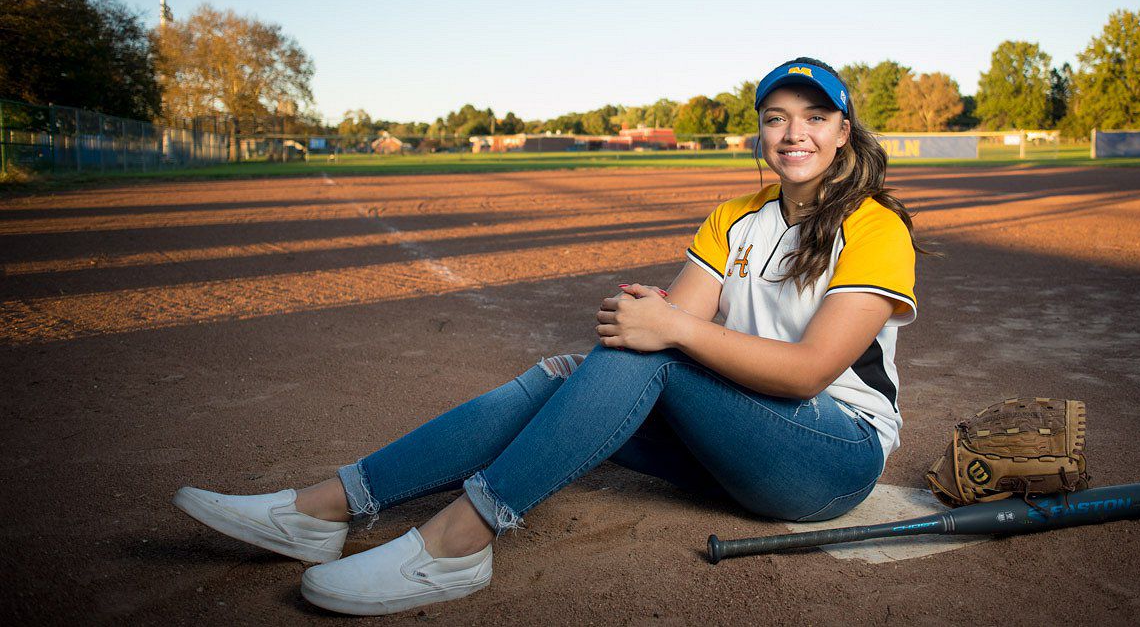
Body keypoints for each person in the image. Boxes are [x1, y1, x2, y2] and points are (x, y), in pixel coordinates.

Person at [173, 57, 923, 616]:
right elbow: (671, 324)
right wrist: (650, 317)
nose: (793, 133)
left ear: (842, 130)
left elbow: (805, 374)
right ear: (759, 129)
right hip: (740, 444)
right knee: (584, 368)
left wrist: (664, 326)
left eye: (814, 117)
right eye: (776, 117)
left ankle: (458, 543)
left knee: (655, 354)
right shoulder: (736, 215)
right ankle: (324, 508)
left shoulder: (875, 225)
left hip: (832, 456)